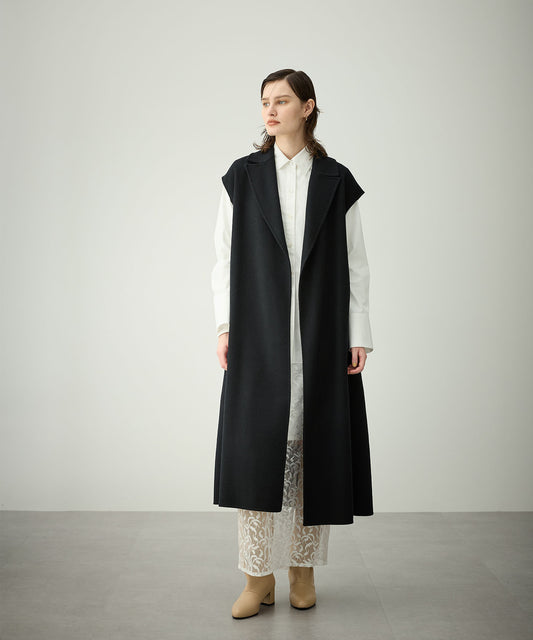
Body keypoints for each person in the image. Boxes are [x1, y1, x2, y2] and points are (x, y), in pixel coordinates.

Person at [211, 68, 374, 619]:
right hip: (259, 333)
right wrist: (224, 326)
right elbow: (222, 257)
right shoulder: (244, 176)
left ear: (307, 107)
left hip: (320, 336)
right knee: (257, 451)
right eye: (265, 101)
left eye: (282, 100)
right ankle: (257, 577)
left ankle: (303, 571)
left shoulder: (335, 179)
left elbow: (356, 263)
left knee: (311, 451)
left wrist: (358, 333)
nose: (270, 110)